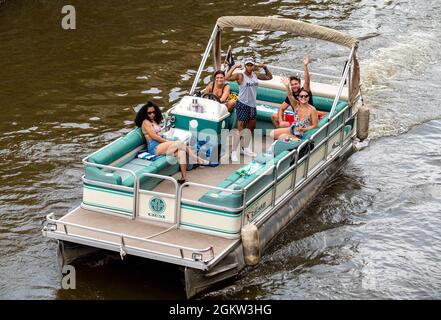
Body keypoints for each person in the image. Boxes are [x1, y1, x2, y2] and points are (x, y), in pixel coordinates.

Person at [134, 101, 210, 184]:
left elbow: (159, 134)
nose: (152, 114)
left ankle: (183, 178)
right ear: (145, 114)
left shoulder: (154, 121)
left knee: (181, 152)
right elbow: (154, 136)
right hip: (154, 148)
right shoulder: (146, 122)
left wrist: (166, 140)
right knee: (179, 143)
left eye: (153, 112)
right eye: (149, 113)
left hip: (161, 145)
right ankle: (196, 159)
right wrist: (167, 141)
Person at [225, 57, 273, 162]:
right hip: (242, 104)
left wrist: (265, 67)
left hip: (252, 105)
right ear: (245, 66)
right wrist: (234, 67)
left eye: (251, 65)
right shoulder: (240, 76)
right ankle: (233, 152)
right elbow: (227, 77)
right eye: (248, 65)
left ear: (253, 65)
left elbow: (269, 77)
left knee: (251, 128)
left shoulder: (255, 74)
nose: (250, 66)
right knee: (240, 129)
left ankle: (244, 148)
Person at [271, 55, 315, 128]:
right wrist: (281, 121)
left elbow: (307, 81)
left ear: (300, 84)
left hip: (307, 120)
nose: (294, 86)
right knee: (274, 116)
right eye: (292, 85)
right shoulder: (291, 96)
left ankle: (283, 133)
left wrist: (305, 66)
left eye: (296, 84)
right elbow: (281, 108)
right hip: (297, 118)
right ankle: (281, 134)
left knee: (283, 125)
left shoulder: (304, 92)